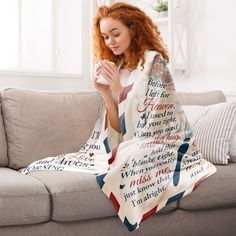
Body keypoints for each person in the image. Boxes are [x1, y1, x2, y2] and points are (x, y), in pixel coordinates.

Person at [92, 2, 169, 133]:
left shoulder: (153, 61)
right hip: (126, 144)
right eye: (105, 37)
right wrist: (105, 92)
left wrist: (117, 88)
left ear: (133, 30)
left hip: (153, 142)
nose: (110, 42)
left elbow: (153, 122)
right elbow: (118, 129)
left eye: (116, 34)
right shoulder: (117, 66)